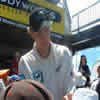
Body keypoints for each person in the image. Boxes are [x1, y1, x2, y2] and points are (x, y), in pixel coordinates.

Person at [18, 8, 75, 100]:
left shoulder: (64, 53)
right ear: (31, 32)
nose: (44, 34)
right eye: (39, 30)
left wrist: (70, 95)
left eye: (47, 28)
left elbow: (71, 86)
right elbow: (26, 95)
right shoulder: (25, 62)